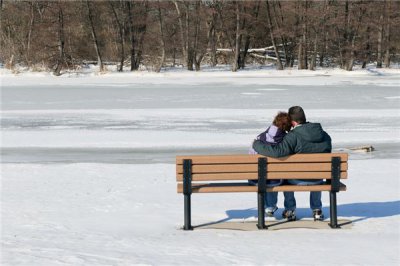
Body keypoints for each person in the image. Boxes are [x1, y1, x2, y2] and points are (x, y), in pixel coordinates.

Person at [252, 106, 332, 221]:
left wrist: (257, 144)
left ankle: (290, 209)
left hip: (296, 178)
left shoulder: (293, 136)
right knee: (316, 173)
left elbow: (277, 152)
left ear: (293, 122)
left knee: (285, 176)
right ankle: (317, 209)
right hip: (318, 178)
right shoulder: (325, 135)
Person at [248, 112, 292, 217]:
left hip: (257, 178)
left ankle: (270, 206)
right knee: (279, 175)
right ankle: (280, 207)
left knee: (267, 174)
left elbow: (250, 156)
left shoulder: (260, 138)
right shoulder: (286, 140)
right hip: (277, 178)